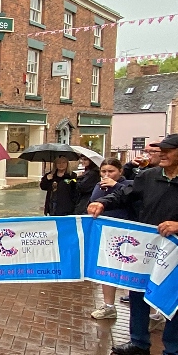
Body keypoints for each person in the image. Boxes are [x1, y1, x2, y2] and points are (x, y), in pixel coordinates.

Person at [87, 134, 178, 355]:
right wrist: (102, 202)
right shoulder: (149, 176)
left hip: (175, 252)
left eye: (167, 150)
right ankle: (138, 342)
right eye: (160, 149)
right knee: (138, 292)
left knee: (173, 299)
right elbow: (124, 195)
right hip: (146, 247)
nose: (162, 154)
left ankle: (173, 348)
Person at [88, 158, 132, 320]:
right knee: (107, 269)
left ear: (120, 171)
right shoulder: (98, 186)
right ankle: (108, 306)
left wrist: (117, 186)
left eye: (111, 171)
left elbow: (135, 201)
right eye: (103, 171)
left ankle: (151, 312)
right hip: (104, 233)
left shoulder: (129, 185)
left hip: (126, 235)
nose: (106, 174)